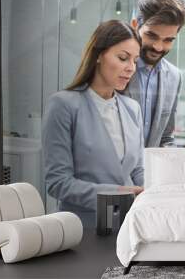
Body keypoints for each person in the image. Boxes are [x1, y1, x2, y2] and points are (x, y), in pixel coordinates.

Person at [42, 20, 144, 227]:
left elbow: (138, 171)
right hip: (80, 227)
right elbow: (58, 183)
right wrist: (116, 193)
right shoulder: (64, 105)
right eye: (123, 58)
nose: (131, 68)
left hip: (127, 226)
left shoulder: (133, 109)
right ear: (98, 55)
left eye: (135, 60)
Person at [125, 0, 185, 147]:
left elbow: (166, 137)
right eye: (151, 36)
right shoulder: (116, 67)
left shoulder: (175, 76)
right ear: (135, 25)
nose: (158, 47)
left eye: (168, 40)